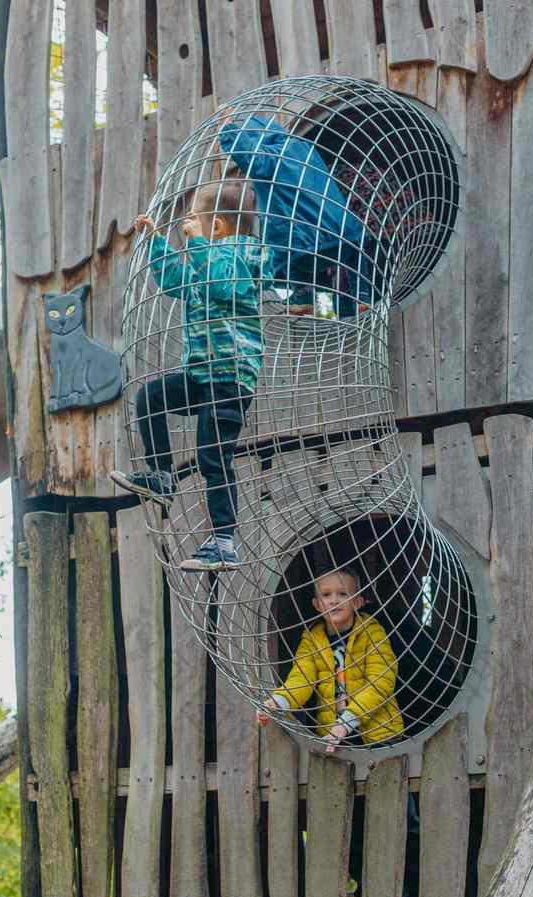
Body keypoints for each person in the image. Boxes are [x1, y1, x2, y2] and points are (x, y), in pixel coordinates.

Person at [111, 180, 274, 571]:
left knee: (213, 456)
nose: (188, 227)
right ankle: (162, 476)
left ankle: (223, 541)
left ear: (216, 226)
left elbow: (222, 284)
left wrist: (197, 244)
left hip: (230, 379)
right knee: (150, 397)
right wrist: (154, 241)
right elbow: (174, 283)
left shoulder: (241, 254)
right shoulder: (205, 258)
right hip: (202, 375)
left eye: (194, 221)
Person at [218, 113, 375, 318]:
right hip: (342, 232)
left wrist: (228, 131)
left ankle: (304, 297)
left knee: (291, 253)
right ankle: (358, 298)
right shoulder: (303, 148)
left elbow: (250, 156)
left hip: (303, 241)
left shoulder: (271, 157)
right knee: (348, 253)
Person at [258, 566, 403, 750]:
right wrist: (278, 702)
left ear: (357, 602)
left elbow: (381, 681)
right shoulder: (312, 639)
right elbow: (301, 679)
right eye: (326, 595)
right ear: (317, 604)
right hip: (332, 735)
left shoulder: (372, 632)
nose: (334, 600)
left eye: (343, 594)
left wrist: (346, 722)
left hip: (379, 734)